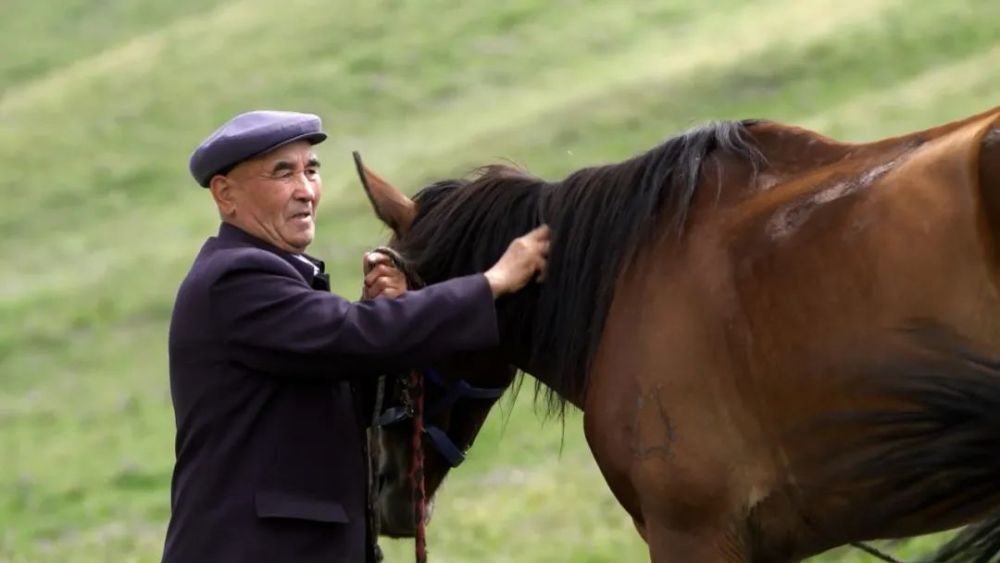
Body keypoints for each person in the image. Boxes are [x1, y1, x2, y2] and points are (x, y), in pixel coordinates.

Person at [161, 110, 549, 563]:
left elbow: (341, 380)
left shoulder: (276, 278)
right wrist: (492, 283)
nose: (305, 190)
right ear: (225, 194)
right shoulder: (236, 277)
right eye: (282, 173)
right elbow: (352, 336)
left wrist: (382, 311)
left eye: (311, 170)